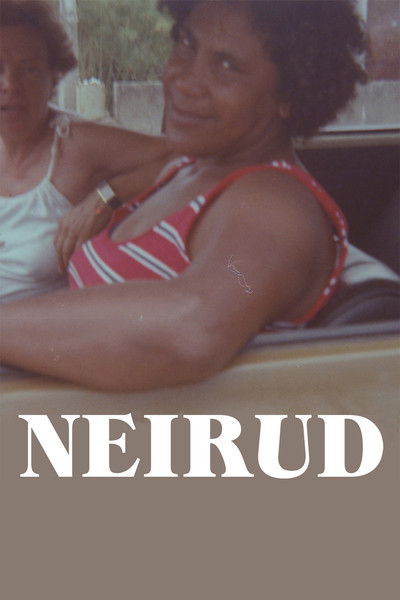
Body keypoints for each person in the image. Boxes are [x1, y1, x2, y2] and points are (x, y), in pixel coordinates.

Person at [0, 0, 368, 391]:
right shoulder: (191, 167)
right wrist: (106, 196)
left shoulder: (273, 205)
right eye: (186, 45)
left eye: (226, 65)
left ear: (289, 95)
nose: (183, 81)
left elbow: (193, 328)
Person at [0, 0, 171, 303]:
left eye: (29, 69)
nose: (10, 85)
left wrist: (107, 196)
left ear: (53, 77)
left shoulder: (75, 143)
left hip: (39, 328)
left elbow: (185, 157)